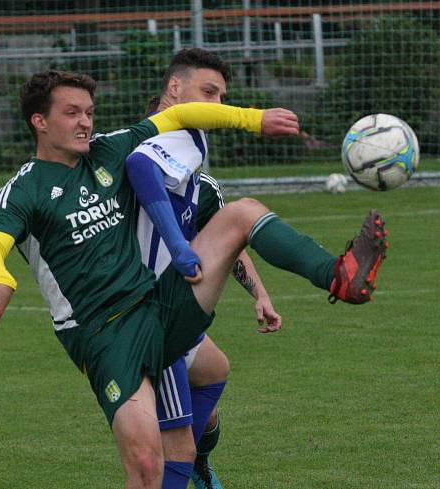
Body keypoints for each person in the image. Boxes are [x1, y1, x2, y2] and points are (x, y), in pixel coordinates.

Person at [0, 69, 387, 489]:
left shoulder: (108, 150)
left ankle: (339, 276)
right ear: (40, 121)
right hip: (103, 334)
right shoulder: (24, 188)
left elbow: (180, 116)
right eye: (72, 113)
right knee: (149, 469)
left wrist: (255, 120)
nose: (86, 123)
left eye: (89, 112)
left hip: (157, 304)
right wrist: (0, 280)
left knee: (240, 213)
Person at [134, 48, 282, 489]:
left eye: (221, 97)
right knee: (172, 446)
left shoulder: (201, 186)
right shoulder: (139, 159)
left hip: (176, 308)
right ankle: (180, 466)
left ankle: (188, 465)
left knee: (214, 369)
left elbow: (229, 244)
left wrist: (260, 294)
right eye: (208, 94)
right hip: (149, 312)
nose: (214, 107)